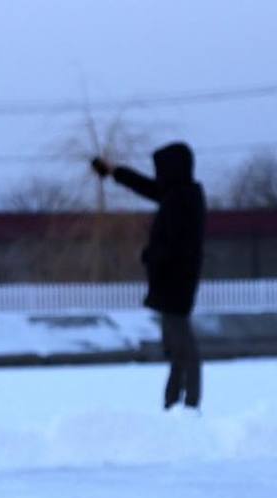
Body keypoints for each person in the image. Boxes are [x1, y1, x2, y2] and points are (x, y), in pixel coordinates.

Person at [91, 143, 206, 410]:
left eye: (161, 170)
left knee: (182, 347)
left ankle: (188, 404)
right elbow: (147, 187)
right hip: (172, 283)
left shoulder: (183, 199)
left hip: (176, 283)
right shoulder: (179, 194)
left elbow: (175, 244)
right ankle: (174, 402)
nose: (158, 175)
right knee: (176, 347)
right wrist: (113, 172)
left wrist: (150, 255)